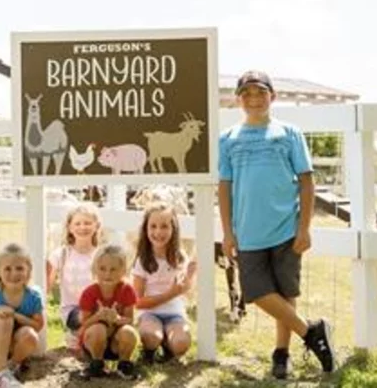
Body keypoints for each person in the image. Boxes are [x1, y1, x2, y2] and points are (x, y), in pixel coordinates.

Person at [218, 70, 336, 379]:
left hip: (286, 227)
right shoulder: (228, 139)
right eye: (247, 94)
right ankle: (312, 332)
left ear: (273, 96)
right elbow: (224, 187)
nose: (254, 99)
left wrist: (305, 227)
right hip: (248, 232)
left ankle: (281, 354)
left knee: (285, 291)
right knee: (255, 292)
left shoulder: (289, 133)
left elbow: (307, 181)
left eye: (260, 93)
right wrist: (228, 232)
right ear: (238, 99)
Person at [132, 201, 196, 364]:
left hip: (174, 313)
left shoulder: (179, 257)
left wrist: (191, 273)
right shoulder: (143, 260)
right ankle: (151, 347)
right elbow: (138, 303)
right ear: (145, 229)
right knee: (152, 337)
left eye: (164, 226)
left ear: (173, 229)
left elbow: (186, 289)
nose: (158, 232)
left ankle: (169, 343)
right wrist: (171, 293)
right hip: (149, 313)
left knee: (181, 344)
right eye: (153, 226)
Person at [0, 243, 44, 388]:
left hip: (17, 345)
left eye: (19, 268)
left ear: (28, 271)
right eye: (7, 269)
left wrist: (16, 316)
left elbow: (38, 326)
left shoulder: (33, 297)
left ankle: (9, 368)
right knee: (4, 319)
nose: (14, 273)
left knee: (31, 335)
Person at [77, 243, 140, 380]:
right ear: (95, 269)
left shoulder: (127, 290)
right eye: (102, 269)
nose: (107, 274)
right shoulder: (89, 293)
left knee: (129, 332)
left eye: (113, 269)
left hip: (116, 345)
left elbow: (130, 320)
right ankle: (96, 364)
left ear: (123, 270)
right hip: (93, 343)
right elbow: (83, 325)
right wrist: (98, 316)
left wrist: (117, 318)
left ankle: (124, 365)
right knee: (98, 329)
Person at [46, 202, 102, 351]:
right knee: (88, 317)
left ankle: (86, 340)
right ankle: (77, 335)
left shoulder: (101, 255)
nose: (82, 227)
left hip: (99, 308)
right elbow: (46, 284)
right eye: (77, 223)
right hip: (74, 311)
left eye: (87, 223)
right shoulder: (62, 254)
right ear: (70, 227)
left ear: (96, 225)